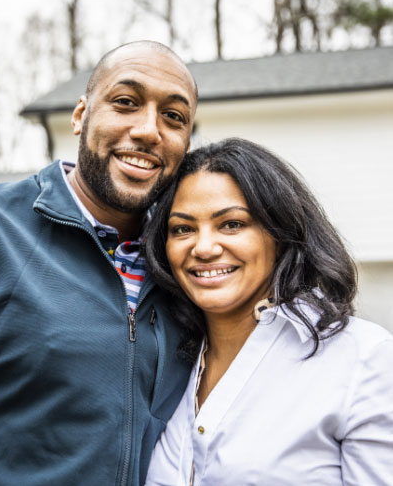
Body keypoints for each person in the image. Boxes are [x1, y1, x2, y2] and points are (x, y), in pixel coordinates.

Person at [0, 41, 198, 485]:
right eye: (126, 103)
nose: (148, 130)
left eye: (174, 117)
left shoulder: (188, 270)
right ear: (81, 115)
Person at [142, 138, 393, 485]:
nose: (203, 247)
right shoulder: (166, 364)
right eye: (183, 229)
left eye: (231, 224)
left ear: (281, 233)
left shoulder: (363, 358)